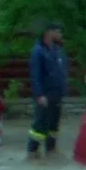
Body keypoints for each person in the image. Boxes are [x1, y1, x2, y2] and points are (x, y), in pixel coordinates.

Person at [27, 23, 69, 159]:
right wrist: (39, 95)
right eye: (58, 32)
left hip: (57, 93)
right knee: (41, 123)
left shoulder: (58, 50)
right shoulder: (38, 51)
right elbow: (35, 75)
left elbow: (62, 71)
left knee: (54, 123)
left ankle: (51, 149)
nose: (60, 35)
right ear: (49, 32)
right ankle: (33, 150)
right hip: (45, 93)